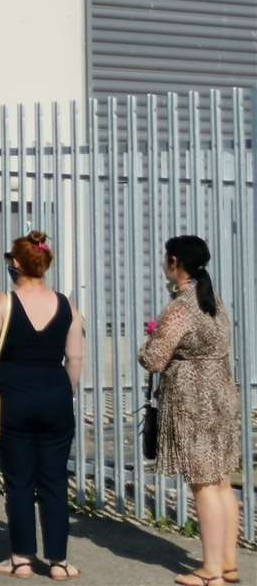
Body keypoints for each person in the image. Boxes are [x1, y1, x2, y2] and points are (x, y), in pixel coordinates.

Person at [0, 231, 84, 580]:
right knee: (54, 480)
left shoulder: (4, 302)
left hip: (13, 396)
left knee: (19, 480)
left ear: (16, 264)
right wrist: (66, 390)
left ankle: (21, 558)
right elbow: (75, 357)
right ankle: (59, 561)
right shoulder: (67, 305)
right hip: (55, 395)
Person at [140, 235, 241, 586]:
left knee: (203, 485)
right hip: (222, 393)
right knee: (222, 481)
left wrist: (150, 338)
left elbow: (153, 359)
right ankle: (229, 563)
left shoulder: (181, 306)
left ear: (174, 262)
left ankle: (210, 568)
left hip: (194, 399)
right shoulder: (214, 300)